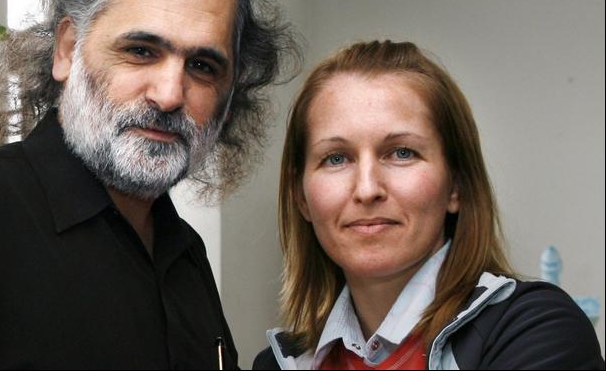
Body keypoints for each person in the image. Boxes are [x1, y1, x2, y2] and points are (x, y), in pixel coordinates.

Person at [0, 0, 299, 369]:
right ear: (67, 50)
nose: (169, 95)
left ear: (228, 98)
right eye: (140, 51)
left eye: (203, 66)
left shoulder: (185, 253)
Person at [253, 40, 604, 370]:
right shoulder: (279, 364)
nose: (367, 189)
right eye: (336, 158)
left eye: (402, 153)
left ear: (456, 185)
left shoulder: (537, 332)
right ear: (301, 196)